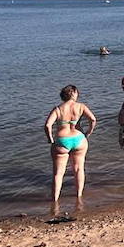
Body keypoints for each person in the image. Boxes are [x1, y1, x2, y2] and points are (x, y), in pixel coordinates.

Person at [45, 84, 96, 212]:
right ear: (74, 93)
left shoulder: (58, 109)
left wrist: (50, 139)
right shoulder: (80, 107)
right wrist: (88, 133)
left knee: (58, 174)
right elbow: (93, 119)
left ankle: (54, 203)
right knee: (79, 169)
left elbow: (47, 125)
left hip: (62, 140)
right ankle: (79, 197)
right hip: (79, 139)